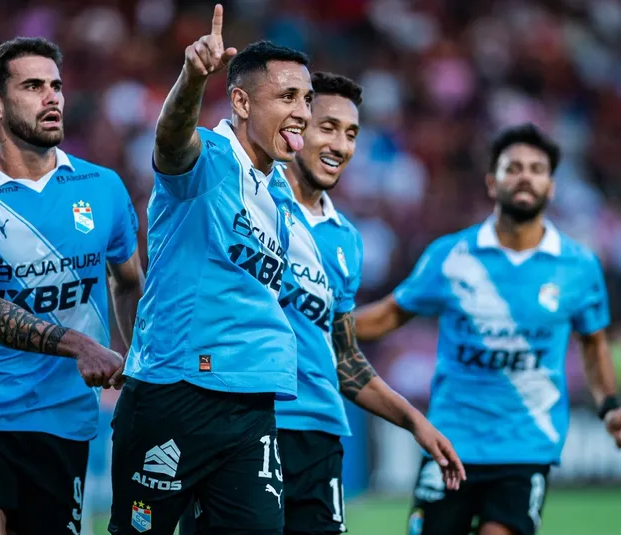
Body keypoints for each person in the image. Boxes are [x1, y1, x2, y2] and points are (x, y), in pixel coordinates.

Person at [179, 71, 466, 535]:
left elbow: (344, 358)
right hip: (244, 423)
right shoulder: (244, 202)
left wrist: (416, 423)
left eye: (351, 133)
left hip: (320, 435)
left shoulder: (347, 240)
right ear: (294, 126)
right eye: (327, 127)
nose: (341, 145)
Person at [353, 123, 621, 535]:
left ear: (551, 186)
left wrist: (609, 405)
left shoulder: (579, 266)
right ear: (492, 183)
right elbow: (389, 315)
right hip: (449, 439)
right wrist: (322, 322)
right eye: (513, 167)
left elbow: (593, 343)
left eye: (536, 169)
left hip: (526, 445)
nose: (525, 176)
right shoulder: (451, 255)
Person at [108, 5, 311, 535]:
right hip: (177, 391)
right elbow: (171, 141)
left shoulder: (279, 193)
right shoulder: (210, 158)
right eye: (288, 97)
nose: (302, 112)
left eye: (307, 99)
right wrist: (192, 78)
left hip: (252, 400)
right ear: (241, 101)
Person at [0, 37, 143, 535]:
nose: (52, 97)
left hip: (63, 414)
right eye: (32, 86)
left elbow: (130, 282)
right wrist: (81, 345)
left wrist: (138, 367)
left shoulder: (102, 187)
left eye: (56, 86)